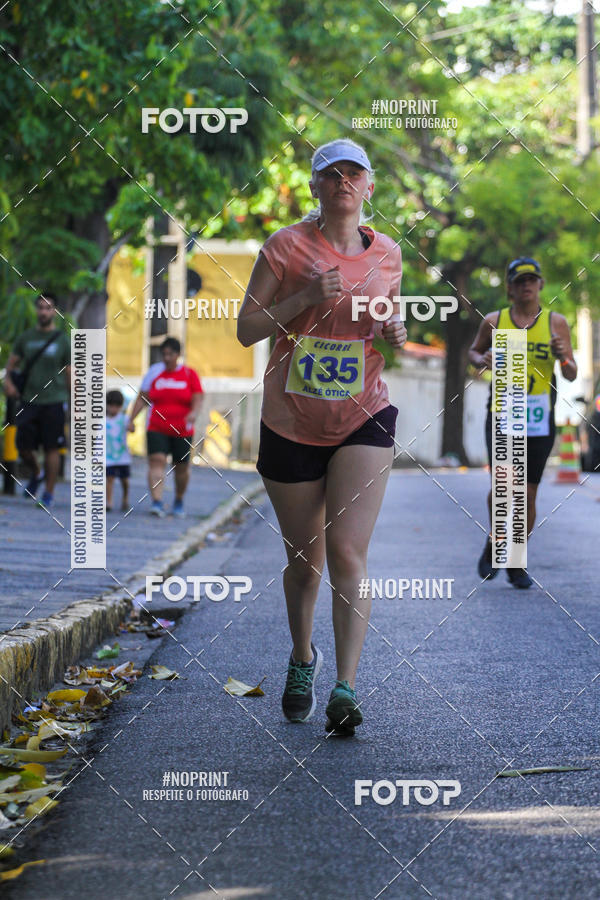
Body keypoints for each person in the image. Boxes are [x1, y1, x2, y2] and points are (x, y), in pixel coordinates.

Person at [237, 137, 406, 734]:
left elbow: (386, 322)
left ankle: (346, 687)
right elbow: (245, 329)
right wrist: (305, 296)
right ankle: (303, 658)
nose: (342, 182)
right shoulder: (284, 247)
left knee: (347, 554)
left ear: (369, 185)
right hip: (292, 422)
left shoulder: (387, 252)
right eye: (330, 174)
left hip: (364, 415)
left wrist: (395, 332)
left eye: (353, 173)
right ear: (313, 186)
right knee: (305, 563)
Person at [469, 257, 577, 589]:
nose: (526, 286)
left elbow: (572, 372)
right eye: (519, 281)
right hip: (502, 412)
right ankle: (497, 541)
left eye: (531, 280)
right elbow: (472, 354)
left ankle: (513, 556)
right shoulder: (494, 320)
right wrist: (482, 359)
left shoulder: (556, 323)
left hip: (539, 418)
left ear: (541, 284)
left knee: (527, 494)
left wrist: (563, 356)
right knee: (504, 486)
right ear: (509, 288)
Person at [3, 293, 70, 510]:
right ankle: (37, 472)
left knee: (52, 448)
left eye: (48, 308)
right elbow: (11, 367)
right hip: (29, 401)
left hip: (54, 400)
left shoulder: (62, 340)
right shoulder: (26, 338)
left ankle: (48, 494)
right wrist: (9, 384)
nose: (44, 312)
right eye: (41, 307)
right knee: (22, 446)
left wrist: (75, 403)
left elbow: (70, 372)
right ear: (36, 310)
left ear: (55, 312)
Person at [127, 337, 203, 518]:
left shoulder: (189, 374)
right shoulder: (154, 372)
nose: (167, 358)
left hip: (182, 429)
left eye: (171, 354)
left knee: (181, 467)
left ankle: (178, 499)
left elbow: (198, 397)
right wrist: (131, 419)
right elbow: (142, 397)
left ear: (178, 355)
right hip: (157, 427)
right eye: (164, 354)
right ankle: (157, 501)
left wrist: (194, 412)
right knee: (156, 461)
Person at [106, 389, 131, 512]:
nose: (114, 409)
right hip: (108, 456)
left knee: (124, 479)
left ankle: (125, 498)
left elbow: (132, 428)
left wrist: (131, 427)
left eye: (117, 406)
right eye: (111, 406)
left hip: (123, 456)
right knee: (109, 478)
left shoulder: (124, 419)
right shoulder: (102, 421)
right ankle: (109, 502)